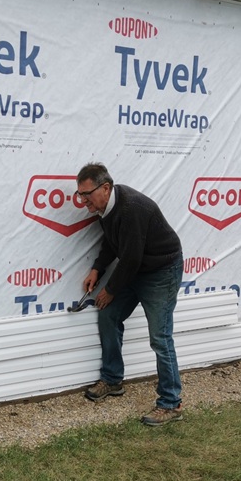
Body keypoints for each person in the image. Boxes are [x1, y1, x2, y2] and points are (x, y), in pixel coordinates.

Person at [76, 162, 185, 426]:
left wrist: (110, 290)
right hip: (137, 268)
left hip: (161, 270)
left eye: (86, 194)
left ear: (105, 188)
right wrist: (97, 269)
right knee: (108, 316)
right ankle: (112, 380)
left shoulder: (132, 208)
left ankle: (171, 403)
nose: (83, 201)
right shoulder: (106, 208)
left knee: (160, 336)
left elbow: (131, 257)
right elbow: (114, 244)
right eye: (80, 195)